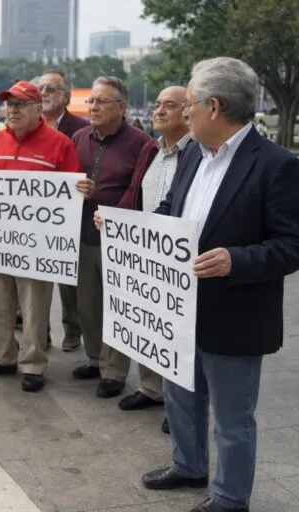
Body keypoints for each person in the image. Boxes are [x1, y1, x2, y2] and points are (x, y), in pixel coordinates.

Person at [140, 57, 299, 512]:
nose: (182, 112)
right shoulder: (191, 152)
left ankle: (230, 499)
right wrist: (126, 228)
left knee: (232, 417)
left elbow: (291, 245)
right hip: (178, 308)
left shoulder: (277, 165)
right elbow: (172, 209)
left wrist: (236, 260)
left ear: (213, 107)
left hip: (236, 315)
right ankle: (188, 465)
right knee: (181, 398)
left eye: (187, 103)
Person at [0, 81, 90, 392]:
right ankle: (0, 357)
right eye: (9, 105)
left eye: (20, 105)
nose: (12, 110)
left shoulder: (60, 143)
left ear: (38, 110)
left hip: (39, 245)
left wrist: (81, 191)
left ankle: (32, 363)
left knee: (34, 304)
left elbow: (71, 191)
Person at [97, 86, 191, 434]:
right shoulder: (150, 149)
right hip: (145, 255)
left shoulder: (195, 152)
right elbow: (135, 193)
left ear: (188, 112)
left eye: (170, 105)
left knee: (176, 333)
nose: (159, 111)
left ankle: (180, 404)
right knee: (151, 324)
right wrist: (114, 218)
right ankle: (152, 390)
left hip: (178, 258)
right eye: (157, 105)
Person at [70, 77, 153, 398]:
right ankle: (95, 358)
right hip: (83, 235)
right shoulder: (78, 138)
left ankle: (115, 371)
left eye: (102, 101)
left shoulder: (142, 143)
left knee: (116, 307)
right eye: (91, 101)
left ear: (122, 107)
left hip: (120, 242)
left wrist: (114, 213)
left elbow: (141, 191)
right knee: (87, 306)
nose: (93, 107)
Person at [33, 69, 90, 352]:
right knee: (36, 282)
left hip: (68, 219)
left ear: (66, 97)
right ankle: (38, 333)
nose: (44, 93)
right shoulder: (28, 126)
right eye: (41, 88)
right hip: (33, 220)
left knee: (69, 283)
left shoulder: (80, 129)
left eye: (51, 89)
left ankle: (72, 331)